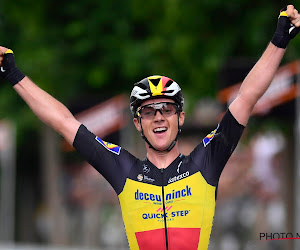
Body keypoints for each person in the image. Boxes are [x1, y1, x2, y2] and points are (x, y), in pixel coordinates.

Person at [0, 5, 299, 250]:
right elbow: (65, 123)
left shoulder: (205, 162)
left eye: (167, 109)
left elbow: (246, 98)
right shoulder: (123, 170)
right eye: (148, 112)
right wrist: (13, 73)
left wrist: (279, 41)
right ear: (137, 123)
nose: (158, 117)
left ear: (180, 118)